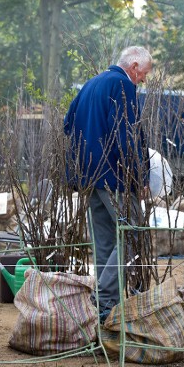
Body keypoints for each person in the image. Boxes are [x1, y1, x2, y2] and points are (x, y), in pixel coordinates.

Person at [63, 46, 153, 322]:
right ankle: (102, 296)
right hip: (115, 177)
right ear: (134, 66)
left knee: (104, 241)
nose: (144, 80)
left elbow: (67, 125)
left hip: (87, 176)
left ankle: (105, 310)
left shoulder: (91, 83)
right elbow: (127, 135)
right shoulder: (122, 85)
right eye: (145, 73)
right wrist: (139, 178)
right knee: (133, 232)